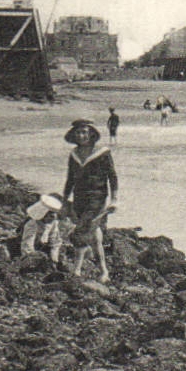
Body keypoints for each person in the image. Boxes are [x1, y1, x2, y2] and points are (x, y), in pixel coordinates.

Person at [62, 119, 116, 280]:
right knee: (94, 236)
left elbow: (112, 177)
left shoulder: (103, 152)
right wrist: (64, 200)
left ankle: (77, 269)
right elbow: (70, 179)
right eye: (78, 132)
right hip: (79, 198)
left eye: (84, 132)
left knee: (82, 231)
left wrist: (115, 199)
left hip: (97, 198)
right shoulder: (74, 154)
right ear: (74, 135)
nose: (81, 135)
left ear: (91, 134)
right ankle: (103, 271)